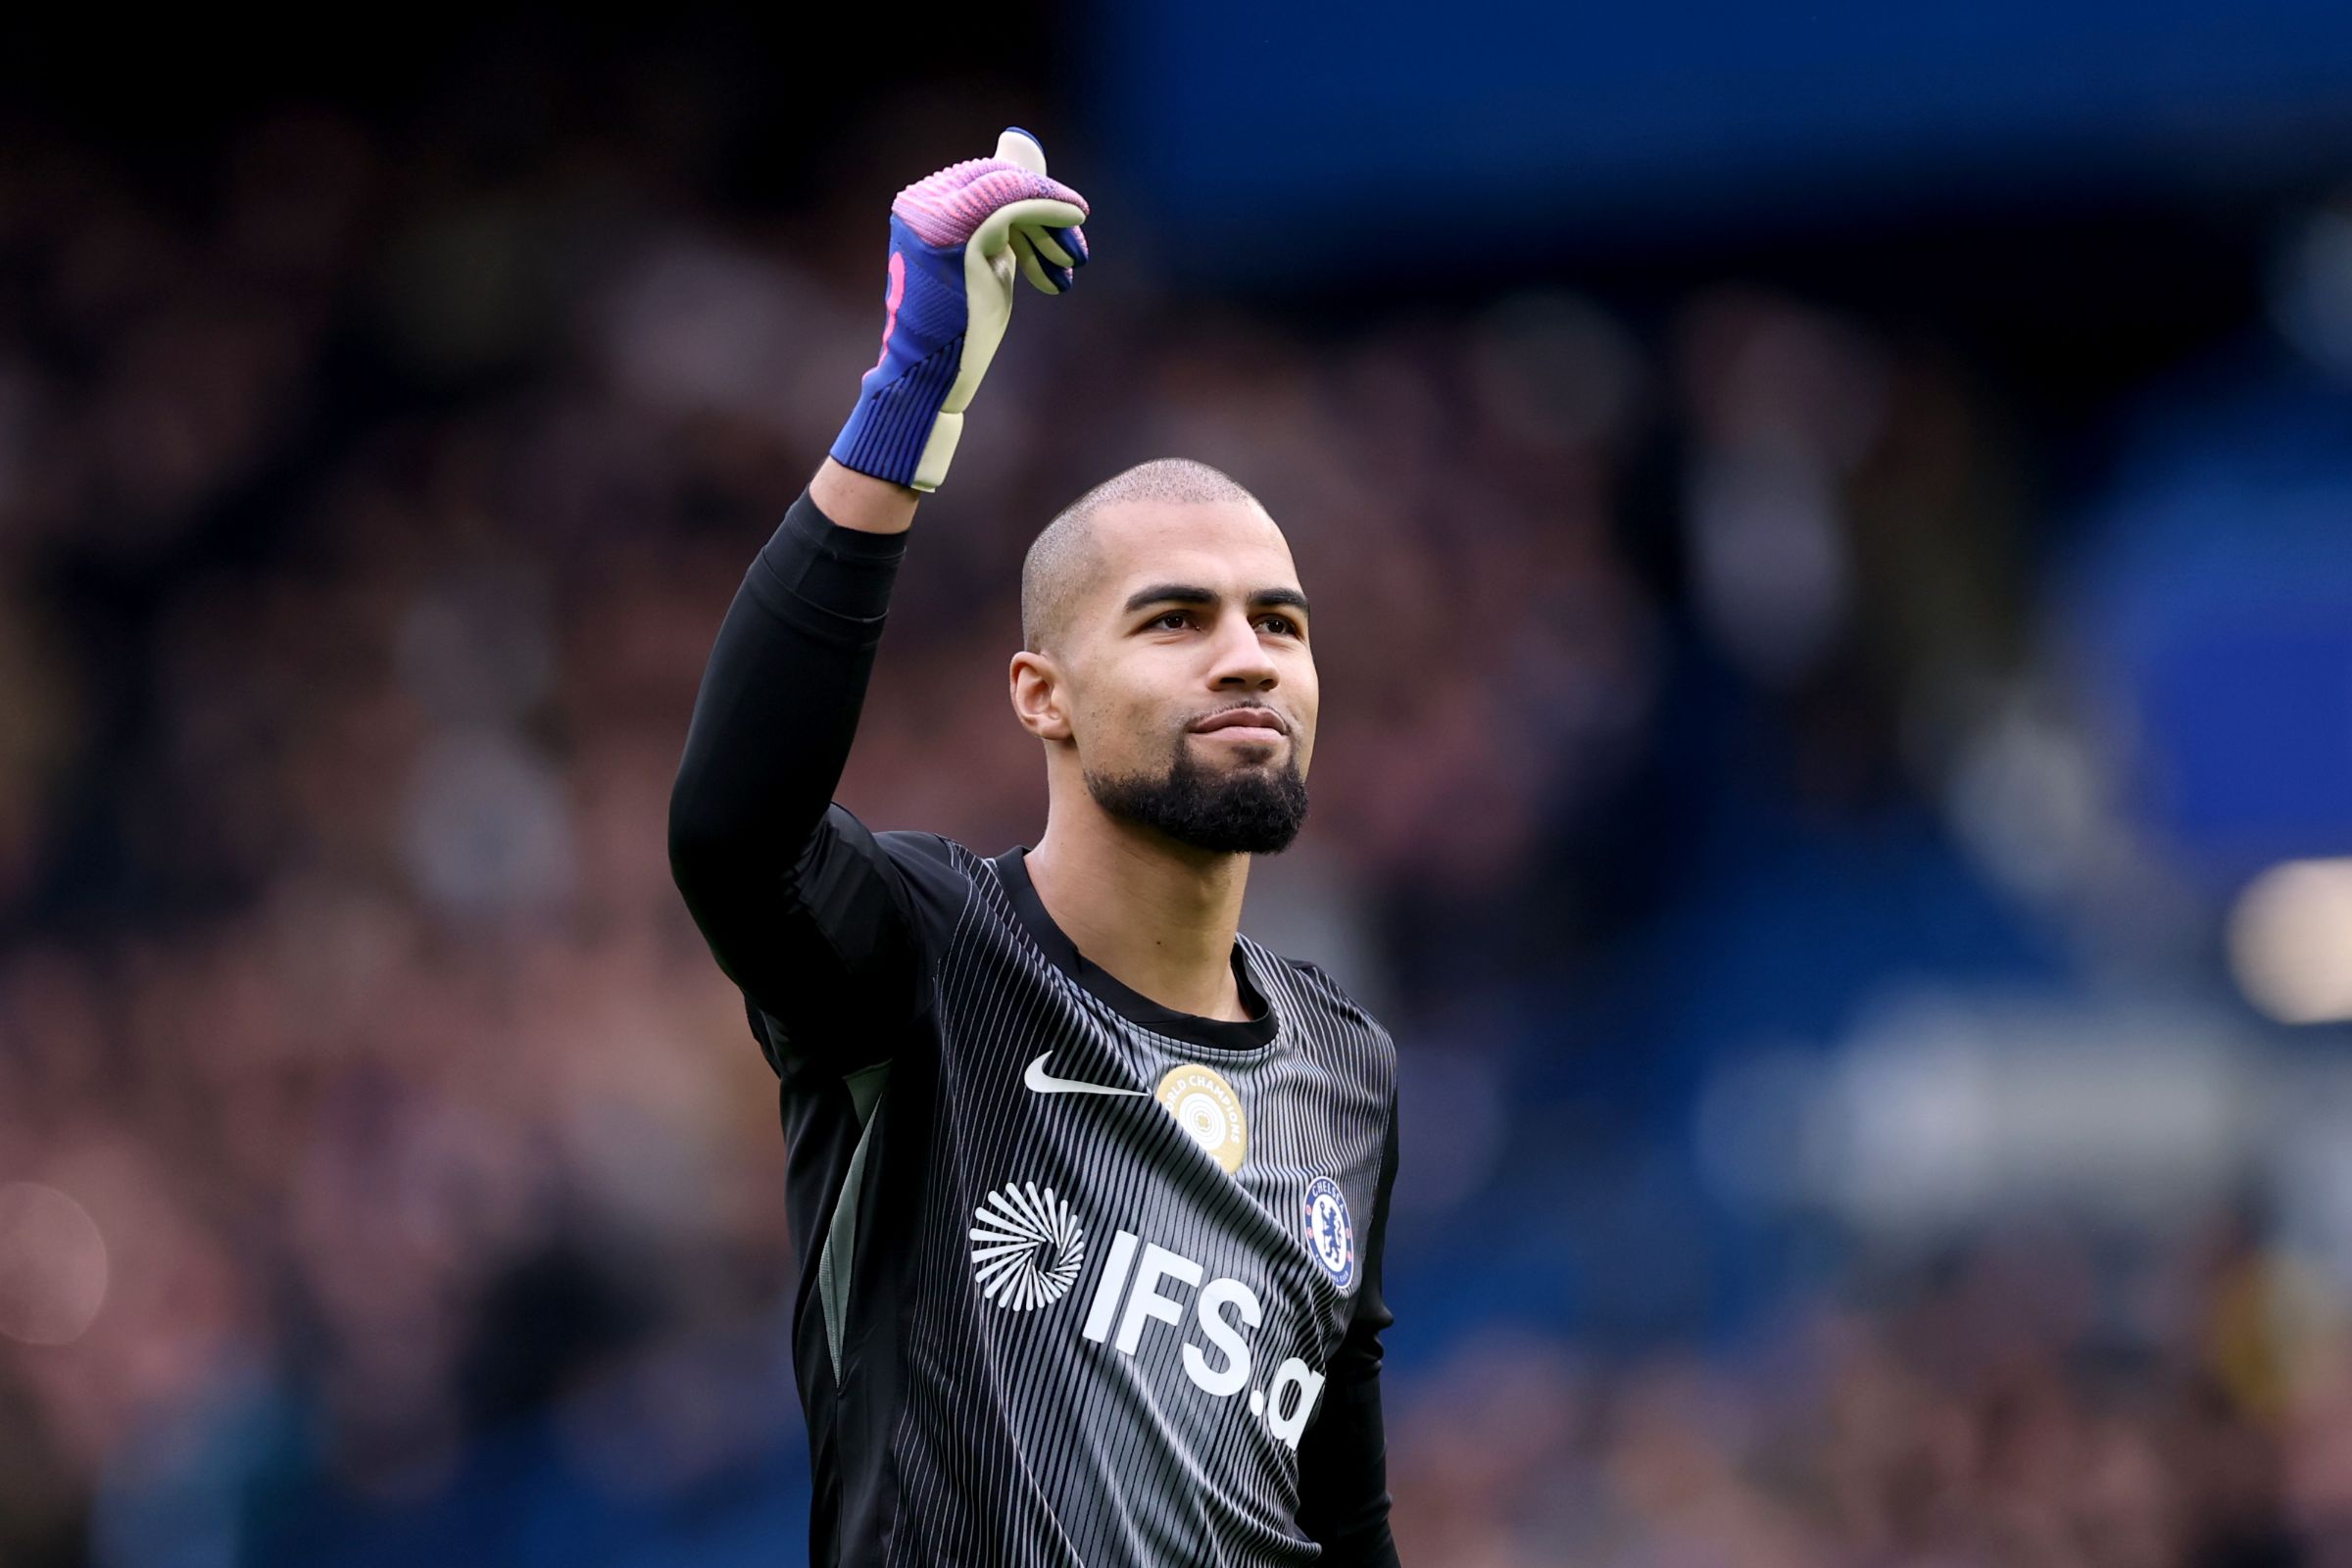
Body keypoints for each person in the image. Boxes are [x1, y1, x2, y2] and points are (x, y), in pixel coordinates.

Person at [667, 128, 1401, 1567]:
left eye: (1282, 623)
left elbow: (1342, 1519)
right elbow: (730, 834)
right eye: (1175, 619)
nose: (1247, 658)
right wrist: (907, 405)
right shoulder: (926, 957)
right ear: (1041, 695)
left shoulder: (1347, 1071)